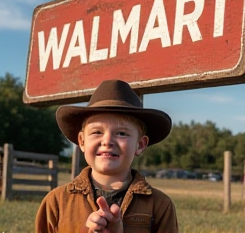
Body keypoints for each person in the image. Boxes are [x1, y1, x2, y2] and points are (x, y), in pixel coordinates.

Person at [35, 79, 178, 233]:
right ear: (82, 141)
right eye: (97, 132)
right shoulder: (57, 202)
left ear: (140, 145)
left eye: (122, 133)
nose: (107, 141)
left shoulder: (159, 205)